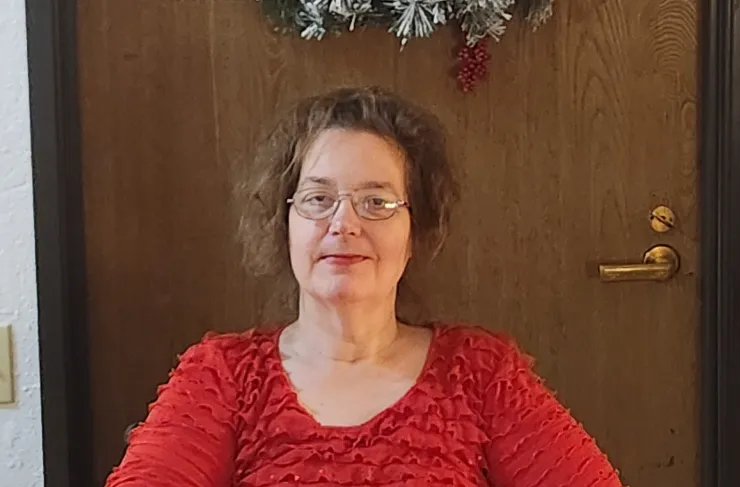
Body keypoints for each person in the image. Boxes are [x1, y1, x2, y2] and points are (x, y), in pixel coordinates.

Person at [105, 86, 624, 487]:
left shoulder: (481, 372)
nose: (343, 224)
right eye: (317, 199)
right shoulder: (223, 375)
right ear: (283, 224)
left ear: (415, 229)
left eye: (376, 202)